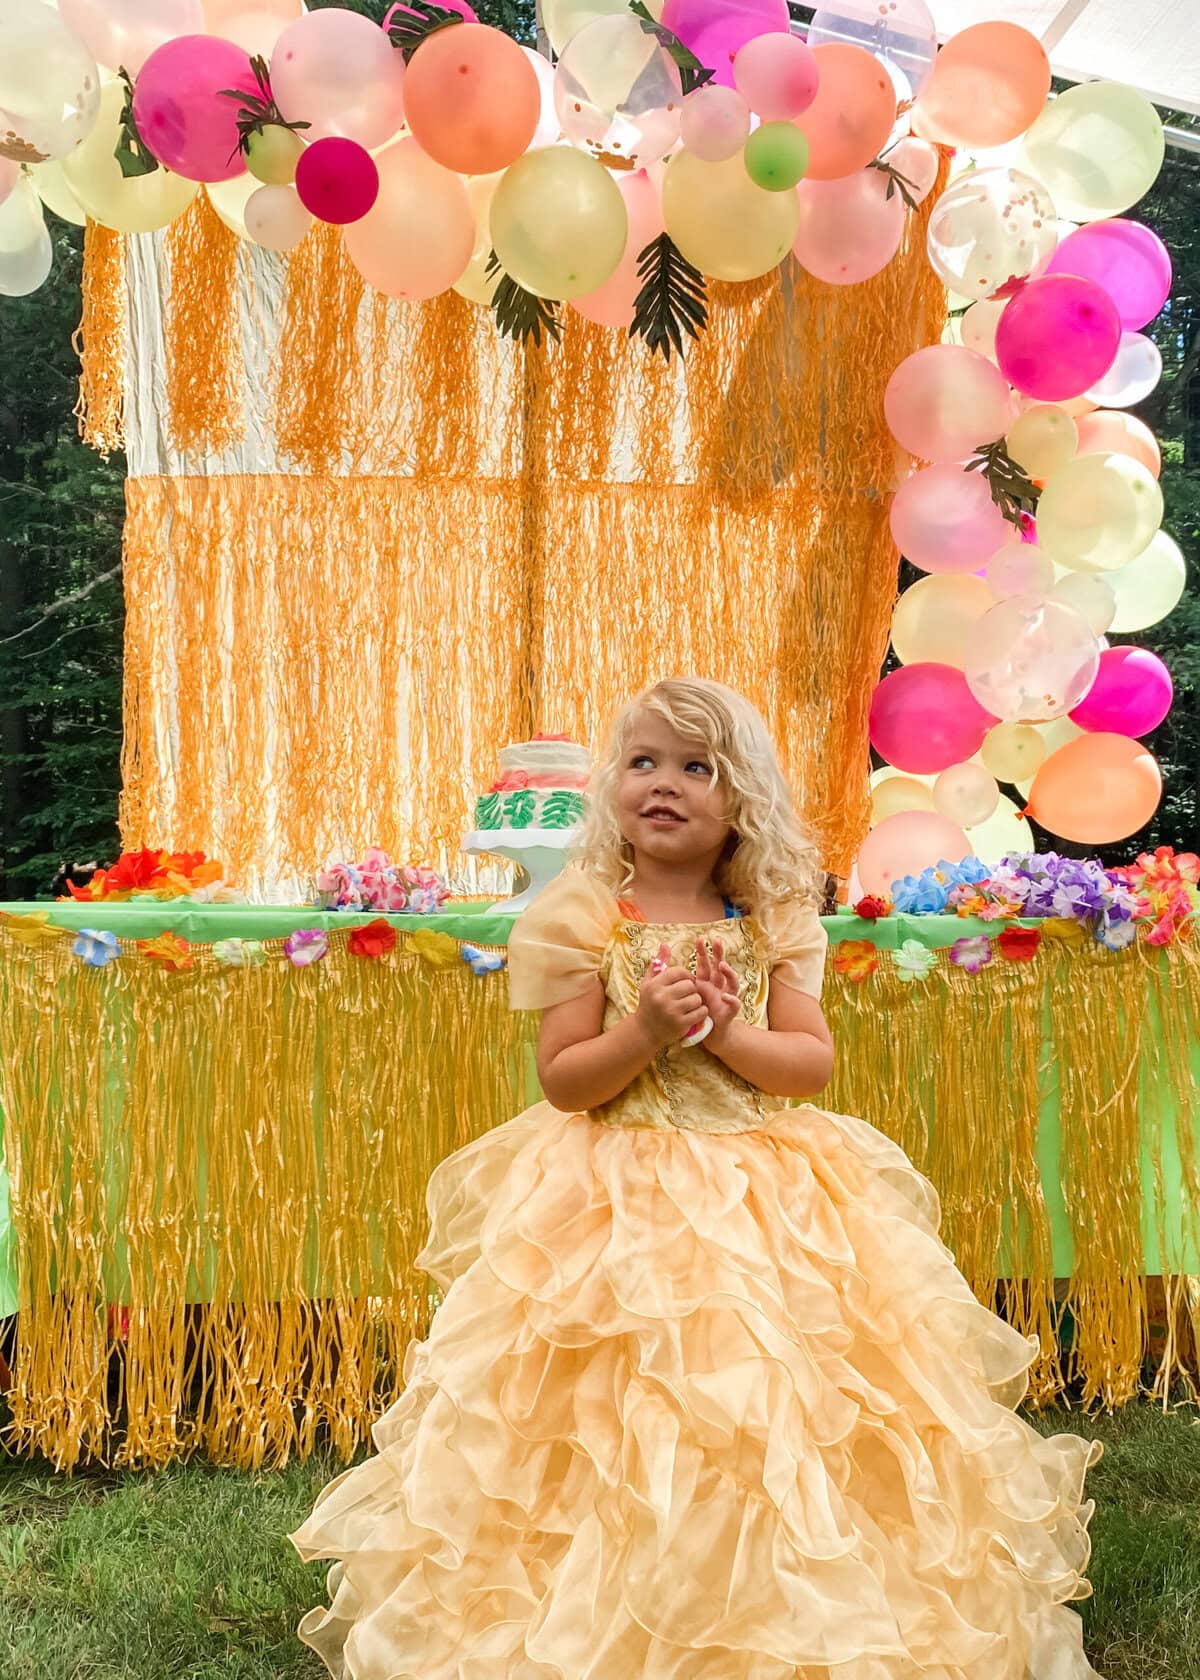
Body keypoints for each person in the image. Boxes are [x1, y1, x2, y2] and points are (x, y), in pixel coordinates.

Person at [291, 677, 1102, 1679]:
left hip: (769, 1197)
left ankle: (788, 1606)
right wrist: (646, 1030)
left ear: (741, 796)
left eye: (694, 766)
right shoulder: (582, 912)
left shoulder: (769, 916)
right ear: (610, 786)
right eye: (641, 763)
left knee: (774, 1408)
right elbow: (568, 1082)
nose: (662, 784)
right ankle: (596, 1606)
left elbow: (808, 1068)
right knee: (614, 1414)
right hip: (612, 1202)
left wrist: (725, 1029)